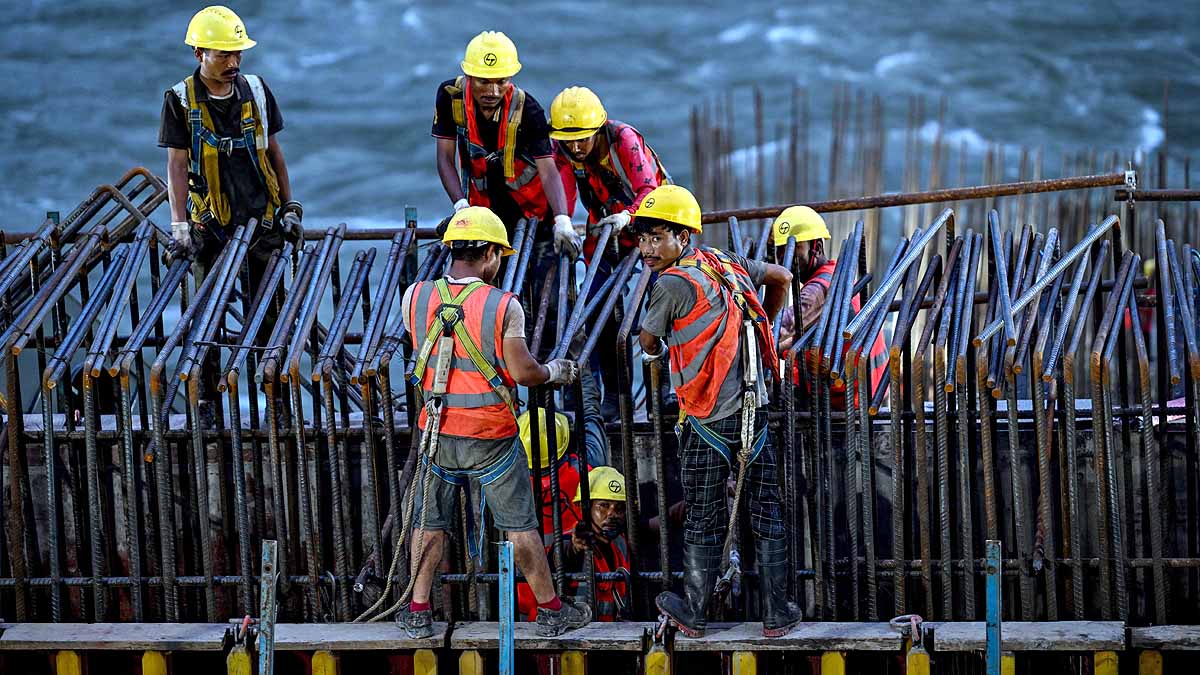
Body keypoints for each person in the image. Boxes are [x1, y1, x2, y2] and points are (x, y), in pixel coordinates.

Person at [398, 206, 589, 639]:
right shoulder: (504, 305)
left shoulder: (415, 296)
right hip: (492, 437)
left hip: (437, 432)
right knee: (520, 526)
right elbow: (523, 372)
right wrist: (554, 371)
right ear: (488, 255)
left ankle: (417, 610)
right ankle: (551, 611)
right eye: (498, 256)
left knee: (429, 524)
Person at [632, 185, 803, 638]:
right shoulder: (725, 262)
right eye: (643, 239)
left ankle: (694, 609)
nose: (647, 249)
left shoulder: (670, 283)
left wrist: (669, 340)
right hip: (754, 410)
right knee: (766, 509)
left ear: (683, 237)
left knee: (704, 516)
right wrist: (765, 321)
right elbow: (782, 277)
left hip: (706, 418)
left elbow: (648, 342)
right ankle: (776, 612)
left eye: (657, 238)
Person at [159, 5, 301, 412]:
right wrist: (179, 226)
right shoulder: (180, 100)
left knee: (270, 315)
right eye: (223, 54)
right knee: (205, 314)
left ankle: (274, 403)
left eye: (237, 53)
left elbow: (275, 153)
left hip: (262, 221)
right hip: (211, 226)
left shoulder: (256, 91)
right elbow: (177, 164)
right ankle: (206, 402)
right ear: (199, 53)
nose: (233, 62)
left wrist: (289, 207)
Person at [550, 85, 671, 414]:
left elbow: (649, 189)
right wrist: (562, 221)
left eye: (582, 139)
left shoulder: (623, 140)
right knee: (599, 304)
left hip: (655, 224)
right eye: (568, 140)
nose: (575, 147)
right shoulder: (563, 149)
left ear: (598, 129)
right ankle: (617, 398)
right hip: (608, 229)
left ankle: (666, 390)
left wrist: (629, 216)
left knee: (664, 300)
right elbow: (564, 192)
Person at [432, 31, 580, 260]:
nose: (492, 92)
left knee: (541, 282)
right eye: (484, 82)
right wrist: (461, 206)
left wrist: (562, 220)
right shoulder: (450, 98)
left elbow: (548, 170)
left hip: (533, 210)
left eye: (501, 82)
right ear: (468, 75)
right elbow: (444, 157)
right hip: (484, 206)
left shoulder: (529, 111)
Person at [773, 206, 887, 406]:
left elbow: (779, 330)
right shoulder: (835, 273)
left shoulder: (819, 289)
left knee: (769, 403)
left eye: (793, 248)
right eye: (779, 250)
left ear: (816, 247)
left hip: (850, 398)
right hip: (868, 389)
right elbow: (810, 336)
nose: (784, 258)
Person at [518, 467, 631, 622]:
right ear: (585, 507)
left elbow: (645, 526)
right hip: (570, 638)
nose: (611, 514)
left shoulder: (618, 543)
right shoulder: (571, 542)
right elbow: (563, 554)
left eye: (619, 508)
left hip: (608, 636)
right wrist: (576, 545)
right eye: (603, 506)